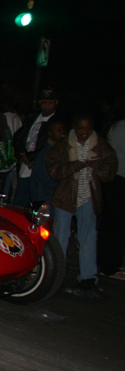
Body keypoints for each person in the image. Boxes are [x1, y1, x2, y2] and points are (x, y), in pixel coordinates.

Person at [46, 112, 117, 293]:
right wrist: (74, 166)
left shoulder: (100, 144)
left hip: (88, 196)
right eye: (80, 128)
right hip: (66, 196)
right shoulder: (64, 144)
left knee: (88, 237)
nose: (84, 132)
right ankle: (55, 274)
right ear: (74, 128)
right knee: (60, 236)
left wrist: (98, 167)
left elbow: (111, 166)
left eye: (88, 128)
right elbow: (53, 168)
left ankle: (88, 276)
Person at [12, 89, 59, 206]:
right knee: (20, 201)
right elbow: (19, 137)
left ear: (56, 102)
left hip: (42, 168)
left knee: (39, 203)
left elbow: (52, 145)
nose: (47, 106)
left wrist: (32, 157)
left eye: (50, 102)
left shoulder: (57, 122)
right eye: (44, 102)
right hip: (25, 166)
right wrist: (23, 154)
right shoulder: (32, 117)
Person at [97, 97, 125, 277]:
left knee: (113, 224)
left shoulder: (117, 126)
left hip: (116, 180)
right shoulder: (121, 127)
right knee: (115, 225)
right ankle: (109, 266)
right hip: (118, 180)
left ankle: (109, 264)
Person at [29, 117, 66, 217]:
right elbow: (45, 177)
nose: (62, 133)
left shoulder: (60, 150)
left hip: (51, 196)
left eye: (63, 130)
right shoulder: (47, 152)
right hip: (45, 197)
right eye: (58, 130)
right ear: (50, 133)